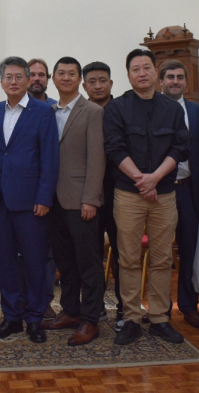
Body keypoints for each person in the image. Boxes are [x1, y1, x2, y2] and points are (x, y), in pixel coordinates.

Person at [104, 49, 188, 346]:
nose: (142, 73)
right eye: (135, 69)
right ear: (128, 75)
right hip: (128, 194)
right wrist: (142, 179)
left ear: (156, 73)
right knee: (128, 258)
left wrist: (155, 178)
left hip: (164, 194)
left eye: (147, 68)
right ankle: (131, 318)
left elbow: (180, 149)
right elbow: (114, 148)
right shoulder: (117, 108)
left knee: (163, 259)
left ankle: (160, 319)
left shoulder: (173, 109)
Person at [0, 57, 59, 343]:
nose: (13, 81)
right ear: (2, 82)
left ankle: (34, 318)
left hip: (32, 203)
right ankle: (11, 317)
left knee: (34, 261)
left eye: (19, 76)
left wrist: (44, 196)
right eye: (8, 77)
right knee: (5, 262)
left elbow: (50, 158)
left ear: (29, 80)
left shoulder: (43, 112)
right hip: (0, 201)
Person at [41, 57, 106, 346]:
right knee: (65, 262)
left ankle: (91, 319)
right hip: (53, 200)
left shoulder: (91, 111)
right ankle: (71, 311)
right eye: (61, 73)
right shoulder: (47, 112)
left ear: (79, 79)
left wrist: (91, 198)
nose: (66, 78)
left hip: (82, 200)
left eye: (72, 74)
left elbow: (97, 159)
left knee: (88, 262)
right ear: (53, 79)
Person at [159, 60, 199, 329]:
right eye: (170, 77)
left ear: (186, 82)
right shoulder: (151, 110)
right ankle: (160, 308)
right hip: (159, 191)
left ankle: (189, 305)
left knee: (190, 247)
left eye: (180, 77)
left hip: (189, 189)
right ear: (161, 82)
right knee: (161, 252)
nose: (175, 81)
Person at [82, 61, 124, 330]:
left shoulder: (121, 110)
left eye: (103, 80)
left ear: (111, 83)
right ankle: (94, 307)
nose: (98, 85)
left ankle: (124, 307)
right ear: (84, 85)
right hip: (87, 194)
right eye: (92, 81)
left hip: (120, 192)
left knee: (122, 254)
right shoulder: (80, 111)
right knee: (90, 254)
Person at [26, 57, 58, 319]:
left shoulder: (55, 110)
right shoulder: (8, 110)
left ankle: (44, 300)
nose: (37, 78)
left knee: (47, 253)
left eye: (41, 75)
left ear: (47, 79)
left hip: (49, 194)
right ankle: (22, 300)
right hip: (18, 194)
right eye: (32, 74)